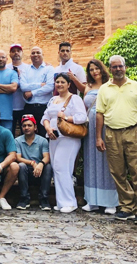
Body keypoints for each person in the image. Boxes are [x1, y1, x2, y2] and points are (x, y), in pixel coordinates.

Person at [95, 55, 137, 225]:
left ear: (125, 67)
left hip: (133, 131)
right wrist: (98, 137)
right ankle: (126, 206)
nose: (118, 69)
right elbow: (99, 114)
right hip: (112, 133)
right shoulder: (104, 89)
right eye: (114, 67)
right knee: (117, 172)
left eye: (120, 66)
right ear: (110, 69)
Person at [42, 73, 87, 213]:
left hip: (69, 138)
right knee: (57, 169)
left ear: (68, 84)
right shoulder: (53, 99)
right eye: (57, 82)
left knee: (62, 167)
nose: (59, 84)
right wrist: (48, 127)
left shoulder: (74, 99)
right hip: (54, 137)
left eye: (62, 82)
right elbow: (45, 116)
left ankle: (70, 202)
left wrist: (66, 117)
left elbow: (82, 117)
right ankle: (61, 202)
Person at [82, 59, 118, 215]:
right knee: (91, 161)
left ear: (102, 69)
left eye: (96, 68)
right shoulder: (87, 87)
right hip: (90, 127)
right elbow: (83, 108)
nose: (94, 72)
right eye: (91, 70)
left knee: (106, 162)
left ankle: (110, 201)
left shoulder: (110, 84)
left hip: (106, 125)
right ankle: (92, 200)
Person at [15, 114, 52, 211]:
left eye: (29, 125)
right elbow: (18, 158)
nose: (26, 128)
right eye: (24, 125)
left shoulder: (42, 140)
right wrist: (31, 163)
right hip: (26, 171)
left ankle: (44, 199)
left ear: (35, 127)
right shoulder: (17, 141)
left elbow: (47, 157)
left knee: (48, 167)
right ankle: (24, 198)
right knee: (21, 165)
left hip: (39, 171)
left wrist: (40, 164)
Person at [19, 46, 54, 137]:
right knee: (27, 135)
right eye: (33, 53)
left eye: (38, 52)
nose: (35, 55)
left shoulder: (49, 69)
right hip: (29, 107)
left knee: (44, 134)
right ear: (30, 56)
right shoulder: (25, 69)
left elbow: (50, 86)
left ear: (43, 55)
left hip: (44, 107)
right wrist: (39, 84)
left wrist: (32, 93)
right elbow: (23, 87)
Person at [8, 43, 30, 136]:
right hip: (9, 107)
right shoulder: (6, 68)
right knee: (10, 133)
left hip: (25, 105)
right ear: (10, 54)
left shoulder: (28, 68)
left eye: (18, 51)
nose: (16, 53)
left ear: (22, 53)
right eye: (13, 51)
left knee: (25, 132)